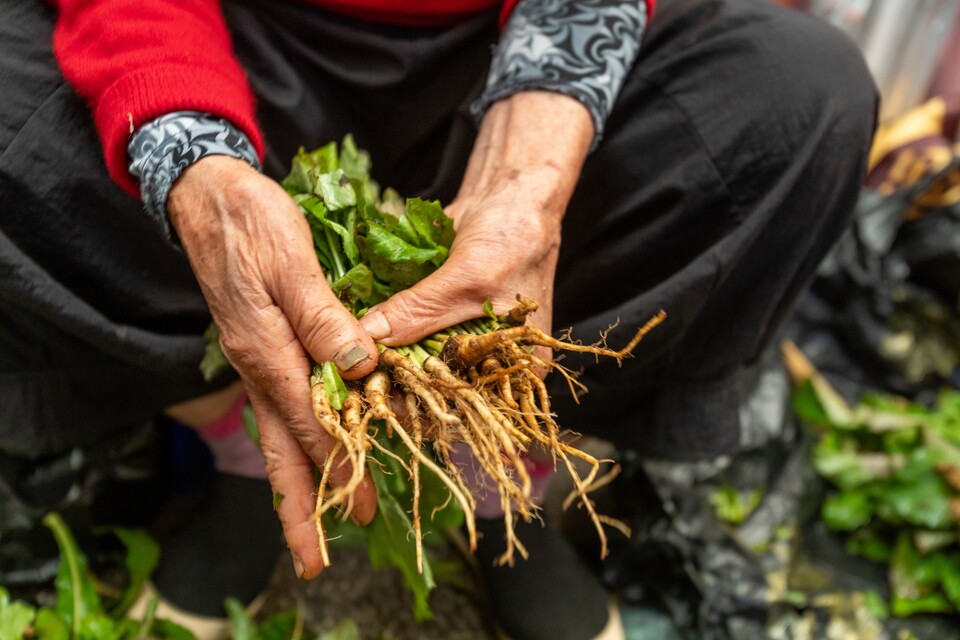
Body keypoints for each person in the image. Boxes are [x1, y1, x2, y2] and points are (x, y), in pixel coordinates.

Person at [0, 0, 877, 638]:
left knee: (804, 94)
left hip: (505, 46)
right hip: (235, 42)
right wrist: (190, 156)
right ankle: (245, 433)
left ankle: (501, 462)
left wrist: (533, 162)